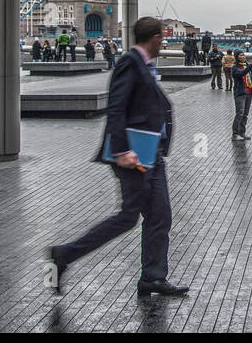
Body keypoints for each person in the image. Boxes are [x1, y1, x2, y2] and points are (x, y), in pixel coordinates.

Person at [48, 16, 188, 297]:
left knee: (160, 216)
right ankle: (63, 255)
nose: (164, 42)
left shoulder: (146, 66)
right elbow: (116, 108)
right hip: (133, 155)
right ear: (155, 38)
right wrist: (122, 151)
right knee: (128, 217)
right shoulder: (129, 62)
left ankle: (153, 277)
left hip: (152, 155)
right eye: (162, 37)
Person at [231, 51, 252, 140]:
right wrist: (250, 65)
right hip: (240, 93)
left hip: (248, 93)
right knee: (239, 113)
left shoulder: (246, 66)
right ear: (237, 57)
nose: (243, 56)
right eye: (241, 55)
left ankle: (242, 132)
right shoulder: (235, 68)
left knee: (245, 114)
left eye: (243, 54)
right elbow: (242, 73)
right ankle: (235, 133)